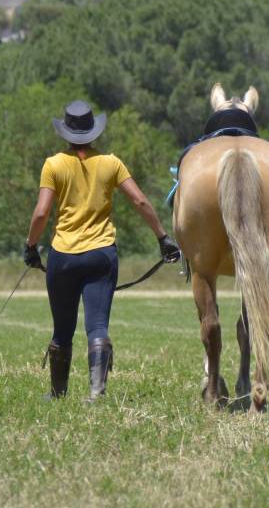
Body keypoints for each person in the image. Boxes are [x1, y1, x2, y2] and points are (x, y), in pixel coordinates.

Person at [24, 99, 179, 402]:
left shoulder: (53, 164)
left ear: (65, 133)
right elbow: (141, 202)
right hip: (101, 255)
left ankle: (58, 392)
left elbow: (41, 213)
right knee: (97, 325)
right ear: (94, 132)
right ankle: (97, 392)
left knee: (62, 327)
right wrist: (162, 237)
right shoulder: (111, 163)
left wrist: (31, 246)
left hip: (63, 257)